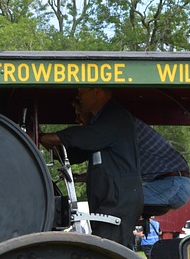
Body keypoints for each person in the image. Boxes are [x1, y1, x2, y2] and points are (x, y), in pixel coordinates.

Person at [40, 87, 142, 246]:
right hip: (108, 201)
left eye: (82, 91)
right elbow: (74, 154)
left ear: (98, 92)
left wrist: (53, 137)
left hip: (117, 202)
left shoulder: (115, 117)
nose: (78, 96)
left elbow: (86, 136)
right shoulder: (100, 125)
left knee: (108, 253)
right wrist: (43, 140)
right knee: (105, 248)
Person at [133, 120, 190, 208]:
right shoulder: (128, 126)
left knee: (121, 199)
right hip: (175, 183)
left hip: (173, 183)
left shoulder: (122, 126)